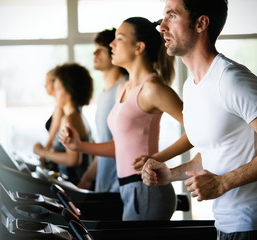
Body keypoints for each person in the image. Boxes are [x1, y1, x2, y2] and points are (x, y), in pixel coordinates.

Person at [141, 0, 257, 239]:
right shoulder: (191, 86)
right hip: (225, 226)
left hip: (256, 227)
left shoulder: (232, 80)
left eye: (172, 16)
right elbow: (214, 152)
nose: (162, 26)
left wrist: (222, 183)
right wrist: (169, 174)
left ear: (201, 23)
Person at [60, 17, 191, 221]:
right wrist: (79, 146)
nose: (112, 44)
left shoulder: (153, 90)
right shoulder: (122, 89)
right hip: (128, 188)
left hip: (146, 188)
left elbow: (198, 129)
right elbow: (120, 147)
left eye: (119, 38)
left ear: (139, 47)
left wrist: (159, 157)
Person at [77, 28, 128, 192]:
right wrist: (86, 179)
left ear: (113, 52)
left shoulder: (125, 88)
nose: (94, 54)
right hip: (105, 185)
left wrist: (79, 146)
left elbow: (120, 145)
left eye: (100, 50)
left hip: (121, 187)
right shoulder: (106, 93)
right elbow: (104, 144)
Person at [33, 63, 94, 186]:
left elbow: (73, 159)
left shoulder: (70, 119)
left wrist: (42, 152)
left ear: (68, 90)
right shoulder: (72, 116)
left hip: (74, 183)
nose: (54, 93)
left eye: (58, 88)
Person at [33, 67, 64, 170]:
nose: (45, 86)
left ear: (55, 83)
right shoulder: (58, 106)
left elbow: (51, 138)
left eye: (47, 82)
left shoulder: (60, 108)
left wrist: (42, 155)